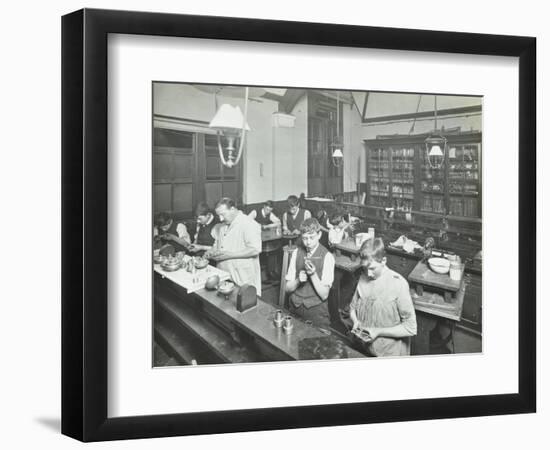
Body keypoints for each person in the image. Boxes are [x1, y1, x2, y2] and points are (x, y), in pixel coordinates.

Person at [349, 238, 417, 357]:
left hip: (388, 352)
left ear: (384, 261)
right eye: (365, 268)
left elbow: (410, 328)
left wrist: (378, 331)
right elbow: (352, 308)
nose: (368, 274)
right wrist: (355, 321)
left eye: (372, 268)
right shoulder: (362, 277)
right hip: (363, 348)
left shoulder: (398, 284)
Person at [285, 218, 335, 329]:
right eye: (304, 238)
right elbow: (287, 288)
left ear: (319, 235)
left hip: (316, 311)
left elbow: (324, 295)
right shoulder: (296, 253)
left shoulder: (327, 257)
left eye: (311, 237)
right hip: (295, 307)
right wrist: (298, 280)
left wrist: (312, 275)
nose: (308, 242)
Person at [208, 197, 262, 293]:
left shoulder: (249, 224)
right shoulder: (222, 226)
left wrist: (230, 255)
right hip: (223, 274)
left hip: (242, 277)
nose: (220, 219)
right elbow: (217, 243)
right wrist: (211, 252)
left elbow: (255, 249)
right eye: (218, 215)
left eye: (222, 214)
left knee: (243, 303)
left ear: (232, 209)